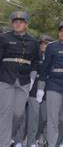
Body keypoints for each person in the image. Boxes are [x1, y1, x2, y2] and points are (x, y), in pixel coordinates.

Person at [0, 11, 40, 147]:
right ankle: (3, 143)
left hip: (24, 80)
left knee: (18, 114)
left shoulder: (34, 42)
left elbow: (35, 62)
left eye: (21, 22)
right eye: (15, 22)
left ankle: (7, 136)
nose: (18, 24)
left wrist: (33, 79)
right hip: (6, 79)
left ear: (26, 24)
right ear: (12, 24)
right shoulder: (3, 38)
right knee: (5, 113)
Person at [26, 34, 53, 147]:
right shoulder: (34, 56)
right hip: (34, 88)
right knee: (34, 117)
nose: (43, 46)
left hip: (47, 89)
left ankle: (37, 137)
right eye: (42, 43)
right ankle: (31, 141)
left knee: (44, 117)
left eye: (46, 44)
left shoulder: (53, 58)